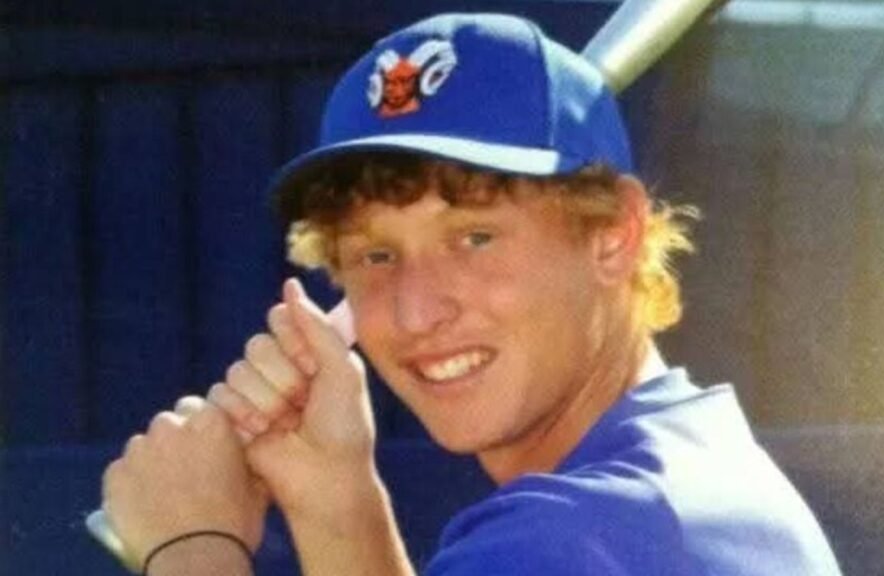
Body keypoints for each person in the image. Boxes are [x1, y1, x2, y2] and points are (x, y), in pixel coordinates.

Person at [101, 12, 843, 576]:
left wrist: (190, 547)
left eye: (475, 238)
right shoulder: (685, 475)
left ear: (613, 236)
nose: (417, 311)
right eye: (376, 254)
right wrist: (335, 500)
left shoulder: (575, 537)